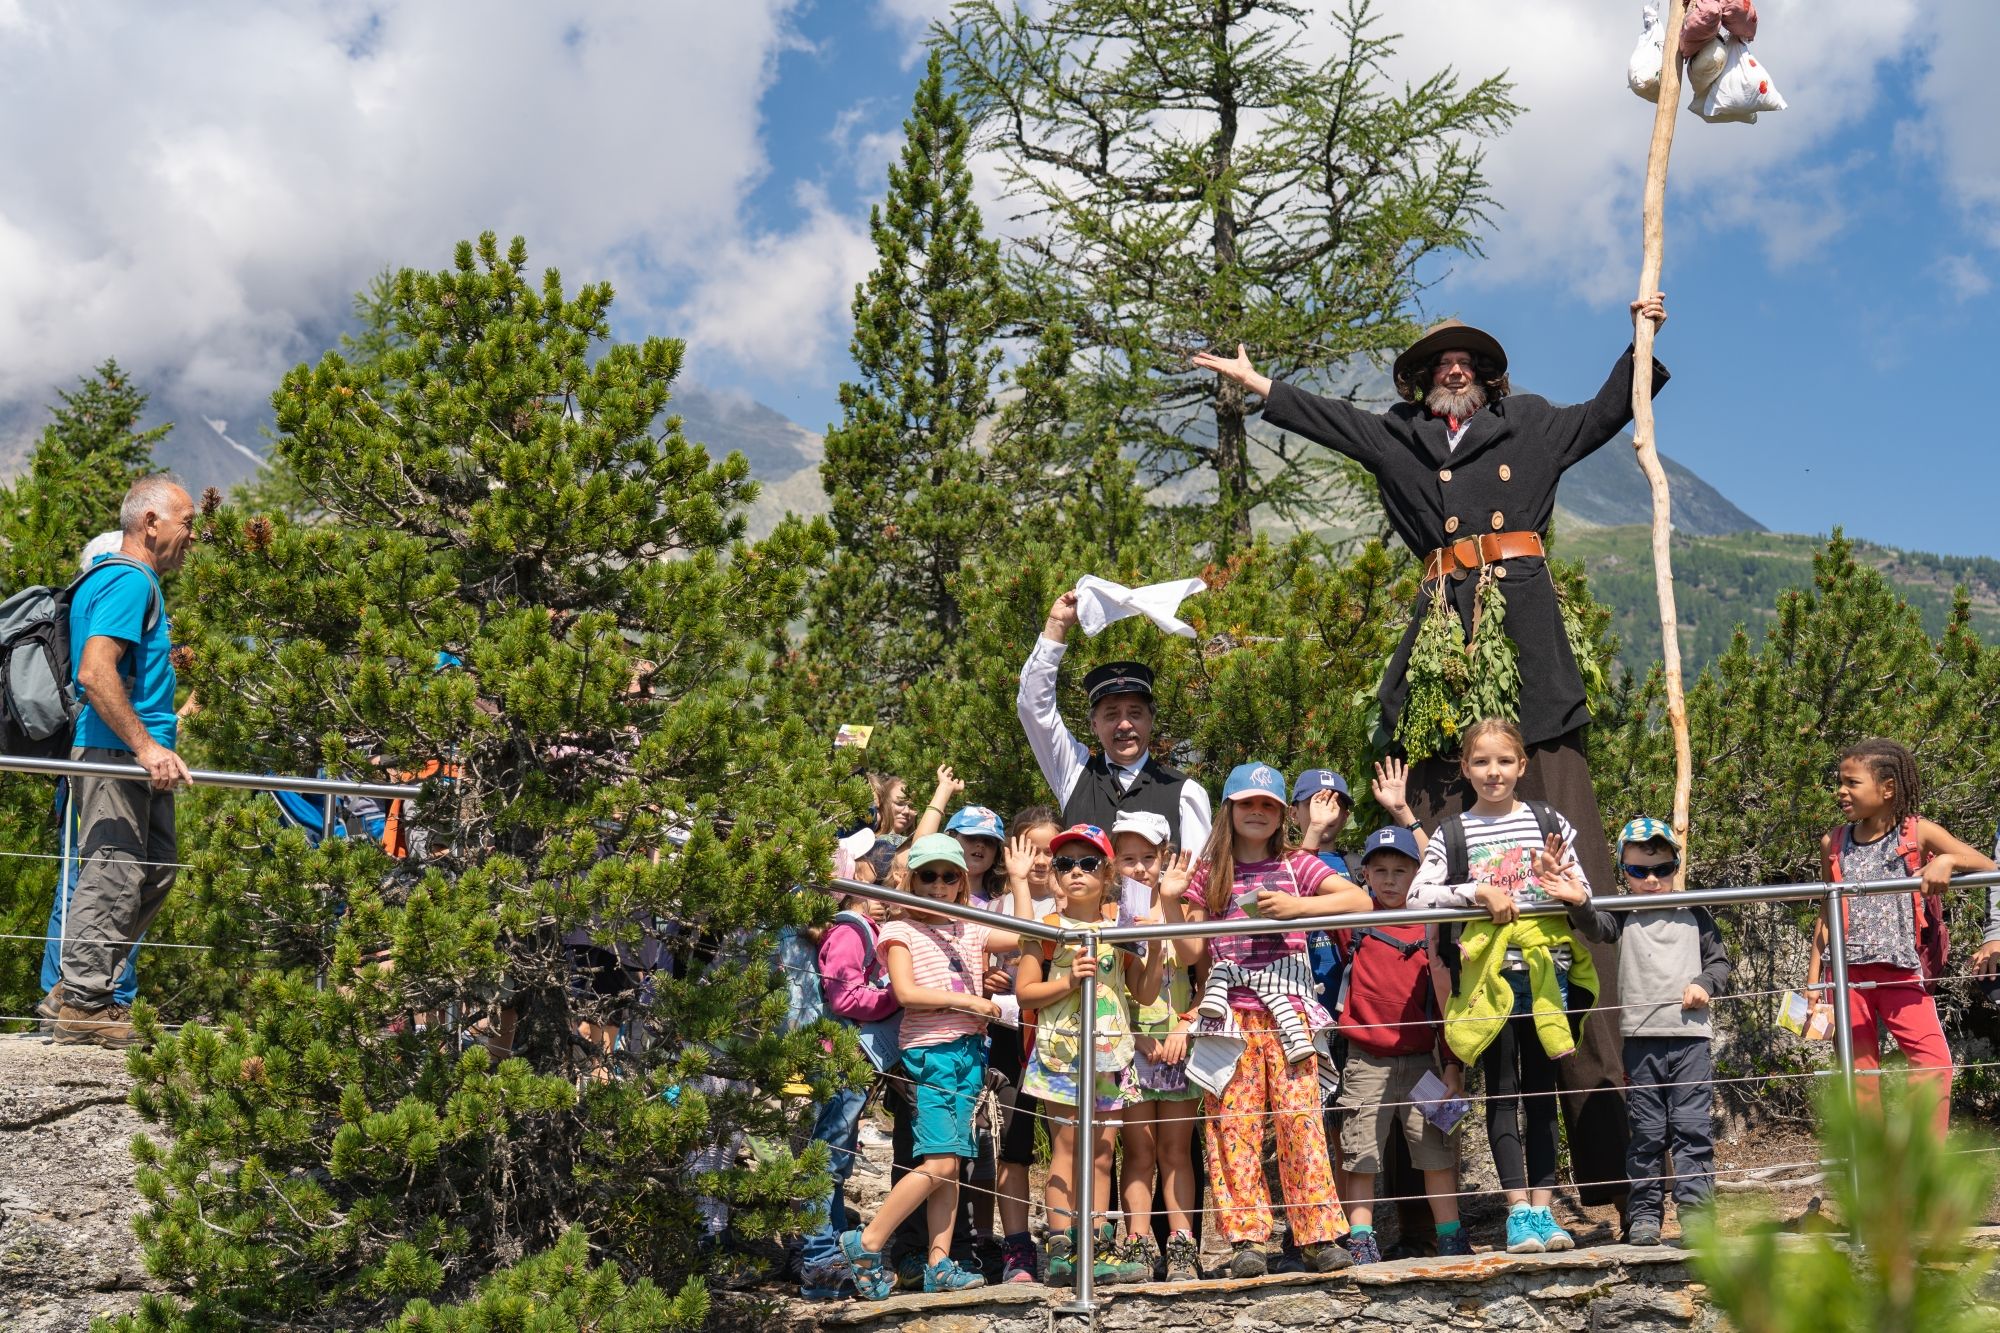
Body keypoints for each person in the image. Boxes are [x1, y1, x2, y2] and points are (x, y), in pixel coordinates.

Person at [1194, 299, 1672, 1204]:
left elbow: (1611, 411)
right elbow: (1337, 426)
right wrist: (1264, 387)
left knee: (1577, 901)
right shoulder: (1401, 435)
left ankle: (1613, 1181)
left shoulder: (1529, 424)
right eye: (1439, 362)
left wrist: (1645, 336)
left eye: (1468, 361)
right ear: (1422, 380)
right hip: (1439, 676)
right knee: (1436, 906)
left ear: (1487, 377)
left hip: (1528, 664)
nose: (1454, 369)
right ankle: (1427, 1205)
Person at [1166, 762, 1369, 1278]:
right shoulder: (1209, 874)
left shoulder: (1298, 866)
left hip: (1290, 1016)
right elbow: (1190, 952)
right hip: (1230, 1016)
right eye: (1247, 803)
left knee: (1301, 1122)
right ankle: (1246, 1240)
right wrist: (1170, 901)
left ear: (1282, 815)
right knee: (1232, 1129)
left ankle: (1318, 1235)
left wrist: (1297, 908)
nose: (1256, 812)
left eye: (1267, 805)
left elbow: (1360, 900)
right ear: (1229, 810)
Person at [1406, 718, 1596, 1255]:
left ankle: (1544, 1210)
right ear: (1465, 768)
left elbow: (1579, 889)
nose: (1494, 772)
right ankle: (1517, 1213)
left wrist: (1561, 882)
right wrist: (1477, 893)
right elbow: (1419, 897)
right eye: (1482, 762)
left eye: (1505, 761)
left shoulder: (1547, 820)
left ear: (1522, 766)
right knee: (1503, 1091)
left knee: (1541, 1094)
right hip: (1489, 981)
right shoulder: (1453, 832)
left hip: (1546, 975)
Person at [838, 834, 1033, 1299]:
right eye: (928, 876)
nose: (938, 886)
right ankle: (866, 1240)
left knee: (954, 1161)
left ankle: (940, 1261)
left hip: (969, 1053)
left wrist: (1021, 881)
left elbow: (1027, 933)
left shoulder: (971, 926)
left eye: (949, 876)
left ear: (962, 884)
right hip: (932, 1054)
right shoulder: (900, 931)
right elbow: (905, 993)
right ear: (910, 881)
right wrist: (966, 1000)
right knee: (941, 1160)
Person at [53, 476, 196, 1048]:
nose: (193, 536)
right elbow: (94, 672)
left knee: (155, 868)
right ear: (151, 523)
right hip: (117, 753)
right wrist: (145, 745)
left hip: (133, 755)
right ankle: (85, 1001)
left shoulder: (128, 581)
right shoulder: (128, 580)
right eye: (187, 523)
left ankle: (77, 989)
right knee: (114, 869)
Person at [1804, 739, 1994, 1137]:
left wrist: (1946, 860)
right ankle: (1871, 1176)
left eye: (1852, 783)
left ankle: (1919, 1161)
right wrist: (1813, 979)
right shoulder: (1833, 842)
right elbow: (1827, 913)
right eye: (1840, 783)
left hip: (1901, 971)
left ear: (1887, 788)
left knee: (1933, 1061)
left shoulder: (1916, 832)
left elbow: (1985, 863)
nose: (1841, 791)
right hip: (1846, 973)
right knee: (1859, 1075)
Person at [1565, 818, 1730, 1246]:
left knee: (1692, 1128)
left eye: (1662, 870)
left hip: (1691, 1038)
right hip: (1640, 1038)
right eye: (1638, 872)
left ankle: (1696, 1216)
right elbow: (1595, 927)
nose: (1652, 880)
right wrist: (1578, 902)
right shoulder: (1623, 911)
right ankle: (1643, 1216)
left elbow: (1719, 964)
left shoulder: (1696, 910)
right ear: (1624, 871)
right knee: (1647, 1132)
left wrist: (1704, 985)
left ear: (1676, 865)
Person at [1014, 823, 1165, 1287]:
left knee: (1102, 1150)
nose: (1075, 872)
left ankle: (1096, 1241)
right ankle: (1062, 1245)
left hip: (1110, 1053)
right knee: (1066, 1144)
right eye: (1065, 864)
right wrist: (1066, 980)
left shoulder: (1121, 925)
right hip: (1061, 1054)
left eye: (1087, 863)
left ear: (1107, 872)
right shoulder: (1046, 929)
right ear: (1055, 875)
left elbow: (1143, 992)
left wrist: (1156, 945)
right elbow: (1025, 993)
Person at [1334, 826, 1471, 1263]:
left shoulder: (1434, 925)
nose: (1390, 880)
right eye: (1380, 870)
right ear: (1366, 875)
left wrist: (1453, 1066)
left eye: (1401, 870)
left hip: (1424, 1062)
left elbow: (1447, 1005)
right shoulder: (1351, 921)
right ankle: (1360, 1238)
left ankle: (1449, 1234)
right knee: (1359, 1153)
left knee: (1438, 1149)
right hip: (1365, 1061)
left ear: (1418, 873)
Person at [1017, 590, 1212, 853]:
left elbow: (1197, 879)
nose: (1124, 725)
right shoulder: (1074, 773)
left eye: (1135, 713)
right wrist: (1057, 627)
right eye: (1111, 715)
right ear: (1093, 724)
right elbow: (1033, 709)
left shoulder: (1184, 793)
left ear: (1151, 720)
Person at [798, 868, 903, 1300]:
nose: (886, 896)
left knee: (837, 1155)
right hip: (838, 1054)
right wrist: (899, 993)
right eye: (878, 887)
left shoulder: (865, 930)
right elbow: (845, 997)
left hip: (847, 1055)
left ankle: (831, 1247)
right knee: (827, 1154)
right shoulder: (851, 930)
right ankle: (819, 1257)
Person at [1106, 810, 1202, 1282]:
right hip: (1131, 1048)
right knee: (1138, 1153)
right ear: (1114, 863)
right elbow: (1113, 992)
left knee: (1176, 1152)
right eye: (1128, 858)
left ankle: (1182, 1244)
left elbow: (1195, 960)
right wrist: (1139, 1038)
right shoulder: (1110, 915)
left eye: (1149, 857)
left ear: (1164, 858)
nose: (1140, 867)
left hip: (1181, 1046)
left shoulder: (1183, 902)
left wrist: (1184, 1025)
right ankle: (1139, 1241)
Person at [988, 805, 1062, 1284]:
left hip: (1061, 1037)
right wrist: (984, 976)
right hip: (1010, 1034)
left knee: (1068, 1142)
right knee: (1013, 1145)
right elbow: (985, 949)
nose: (1038, 860)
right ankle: (1017, 1248)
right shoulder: (995, 906)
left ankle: (1067, 1240)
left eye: (1048, 849)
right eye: (1029, 848)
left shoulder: (1079, 899)